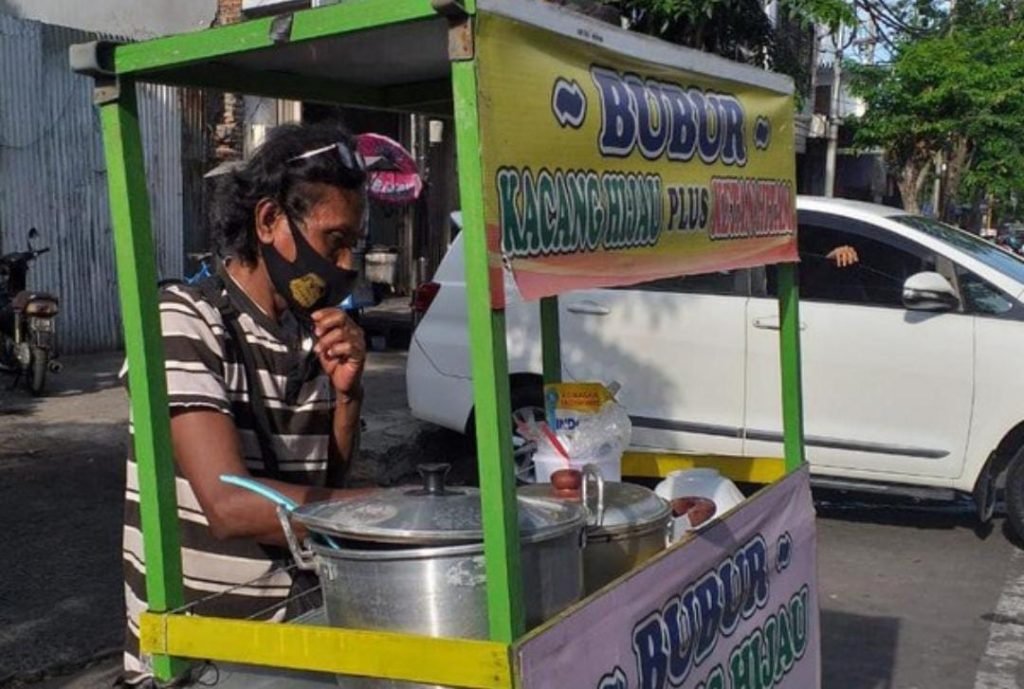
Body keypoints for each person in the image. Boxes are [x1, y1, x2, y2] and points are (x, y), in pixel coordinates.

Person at [120, 122, 371, 683]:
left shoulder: (314, 332)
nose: (348, 264)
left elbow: (320, 486)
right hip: (201, 659)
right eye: (335, 240)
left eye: (356, 243)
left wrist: (348, 397)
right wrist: (386, 511)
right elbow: (229, 506)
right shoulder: (185, 320)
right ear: (268, 220)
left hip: (296, 635)